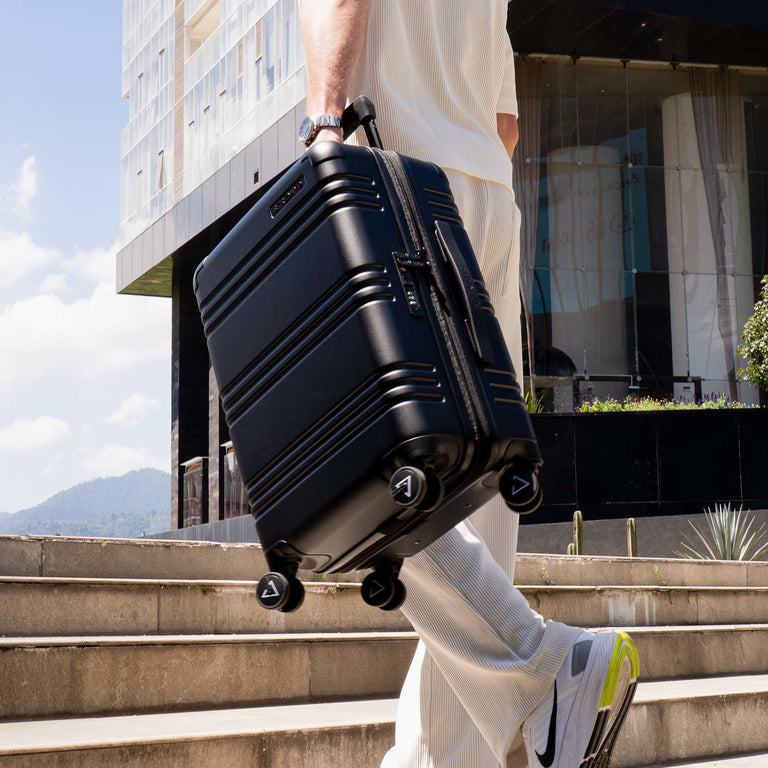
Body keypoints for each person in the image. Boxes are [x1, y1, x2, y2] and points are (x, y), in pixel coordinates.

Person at [298, 2, 640, 767]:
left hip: (389, 168)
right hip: (483, 189)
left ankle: (542, 666)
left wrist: (324, 125)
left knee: (371, 465)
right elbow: (506, 124)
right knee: (476, 494)